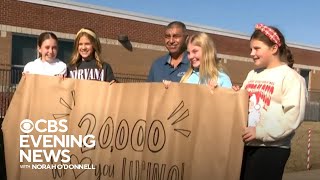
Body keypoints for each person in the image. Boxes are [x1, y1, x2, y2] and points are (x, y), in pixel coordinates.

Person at [235, 24, 307, 180]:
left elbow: (292, 118)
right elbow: (242, 104)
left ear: (274, 48)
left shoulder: (291, 78)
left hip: (272, 150)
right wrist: (235, 94)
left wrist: (260, 132)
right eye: (251, 49)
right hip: (245, 145)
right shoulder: (252, 74)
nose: (251, 53)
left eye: (256, 48)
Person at [163, 32, 232, 89]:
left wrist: (216, 93)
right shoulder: (187, 77)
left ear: (207, 51)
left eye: (195, 51)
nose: (190, 56)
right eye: (188, 53)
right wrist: (170, 89)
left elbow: (229, 104)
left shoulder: (222, 79)